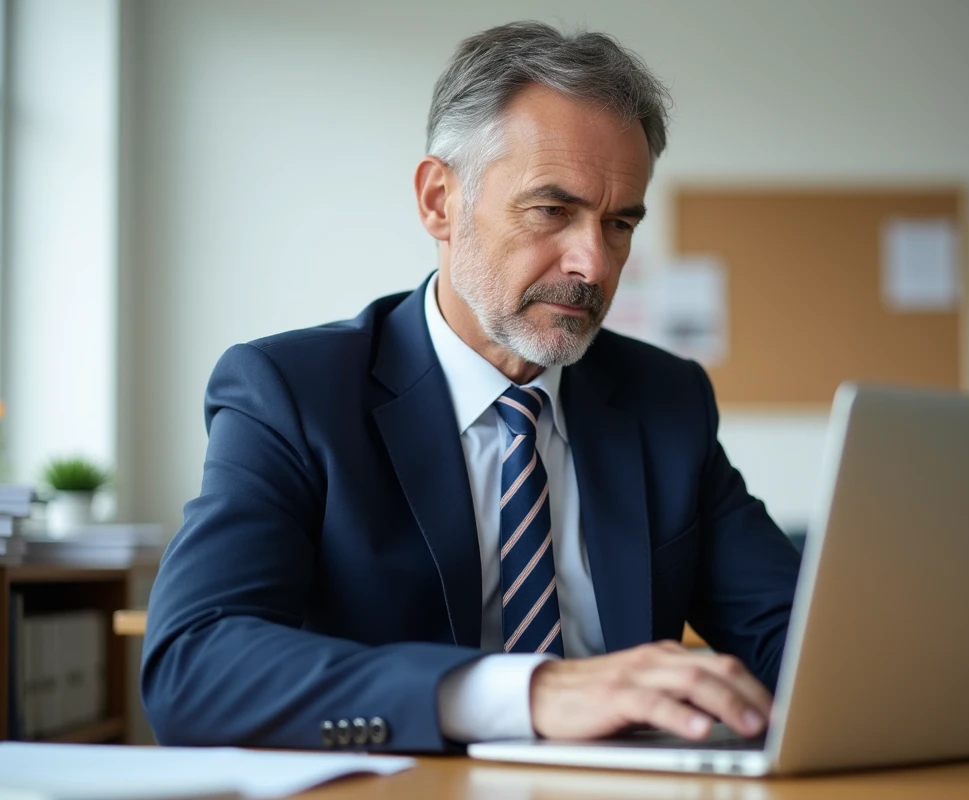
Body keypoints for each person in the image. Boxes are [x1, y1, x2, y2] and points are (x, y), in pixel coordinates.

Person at [141, 21, 801, 753]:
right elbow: (191, 666)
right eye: (553, 210)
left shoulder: (663, 401)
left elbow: (796, 638)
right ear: (438, 201)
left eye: (619, 224)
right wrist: (529, 692)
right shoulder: (292, 395)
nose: (593, 263)